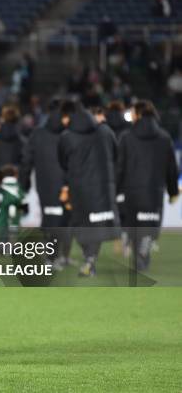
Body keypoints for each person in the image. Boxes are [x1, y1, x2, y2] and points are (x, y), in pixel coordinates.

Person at [58, 100, 120, 277]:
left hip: (79, 190)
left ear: (67, 116)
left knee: (81, 226)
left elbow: (62, 162)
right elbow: (116, 156)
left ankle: (89, 260)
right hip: (102, 188)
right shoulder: (105, 132)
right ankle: (90, 260)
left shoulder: (67, 136)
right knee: (96, 226)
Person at [117, 100, 179, 271]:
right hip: (154, 194)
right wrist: (173, 191)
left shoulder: (126, 137)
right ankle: (142, 254)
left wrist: (115, 191)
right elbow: (171, 169)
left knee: (134, 228)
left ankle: (132, 244)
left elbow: (119, 168)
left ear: (138, 114)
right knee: (148, 230)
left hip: (132, 195)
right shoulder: (164, 138)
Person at [20, 99, 72, 269]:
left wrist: (24, 183)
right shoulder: (70, 133)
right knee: (64, 220)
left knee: (51, 220)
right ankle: (58, 257)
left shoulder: (37, 133)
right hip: (67, 185)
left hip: (46, 186)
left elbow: (26, 160)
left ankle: (54, 256)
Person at [0, 164, 26, 241]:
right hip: (15, 220)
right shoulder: (18, 187)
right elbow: (23, 204)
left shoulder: (0, 186)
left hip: (2, 220)